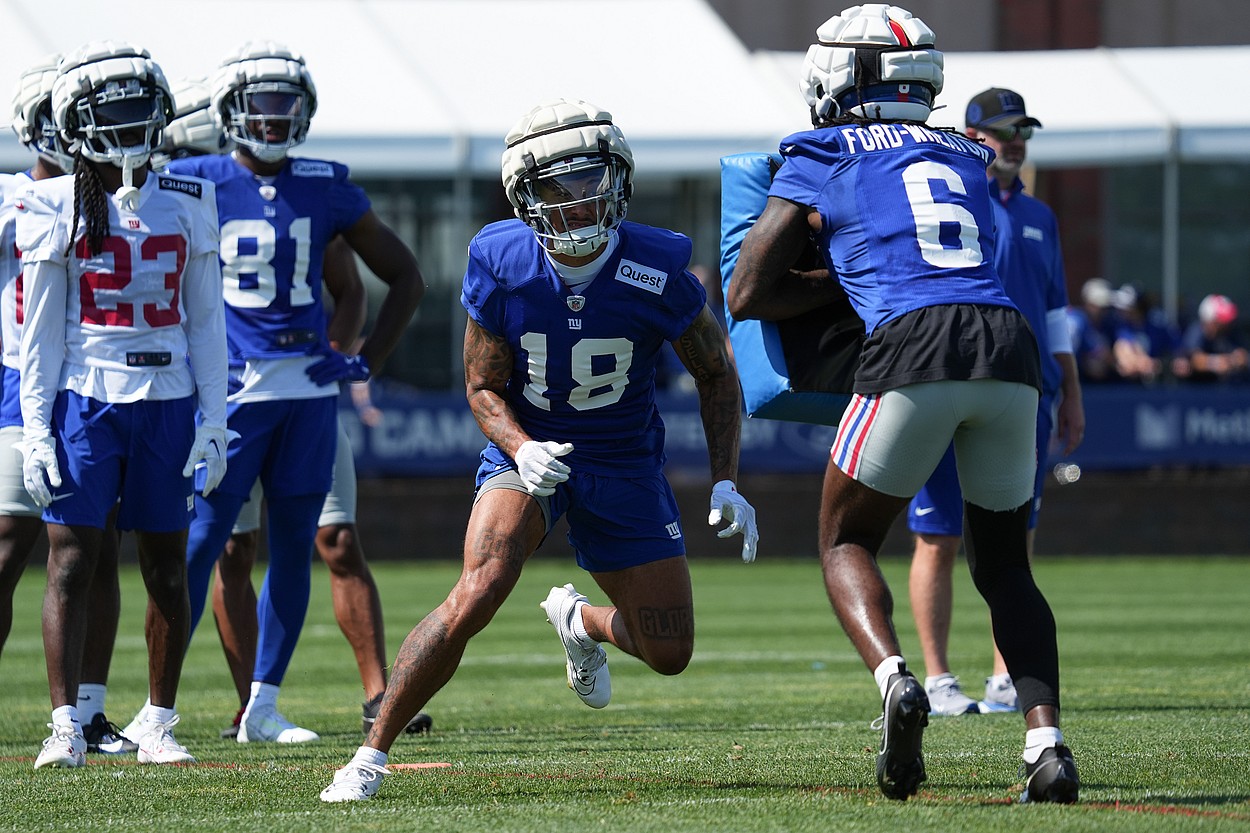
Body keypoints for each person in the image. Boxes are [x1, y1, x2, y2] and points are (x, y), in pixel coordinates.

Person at [319, 98, 759, 802]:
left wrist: (726, 481)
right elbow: (482, 386)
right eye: (560, 187)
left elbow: (715, 369)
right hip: (529, 452)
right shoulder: (501, 261)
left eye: (591, 182)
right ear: (526, 196)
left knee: (669, 650)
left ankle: (579, 620)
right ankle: (369, 756)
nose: (580, 202)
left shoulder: (657, 263)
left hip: (622, 458)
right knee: (479, 587)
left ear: (619, 178)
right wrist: (521, 450)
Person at [725, 5, 1078, 803]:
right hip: (1006, 344)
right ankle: (1047, 744)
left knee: (845, 539)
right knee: (1005, 566)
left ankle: (895, 680)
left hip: (913, 345)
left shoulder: (822, 145)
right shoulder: (963, 150)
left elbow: (747, 290)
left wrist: (821, 282)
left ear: (845, 77)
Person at [154, 41, 423, 744]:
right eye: (260, 105)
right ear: (229, 110)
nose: (273, 120)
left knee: (300, 542)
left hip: (306, 390)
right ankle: (157, 712)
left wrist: (361, 359)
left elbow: (403, 275)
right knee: (201, 543)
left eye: (286, 106)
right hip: (232, 393)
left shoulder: (324, 183)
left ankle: (265, 705)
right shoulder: (193, 177)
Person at [16, 41, 228, 767]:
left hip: (167, 399)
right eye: (117, 112)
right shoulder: (50, 202)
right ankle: (66, 723)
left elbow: (206, 321)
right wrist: (38, 430)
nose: (134, 123)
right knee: (71, 561)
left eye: (142, 107)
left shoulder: (191, 201)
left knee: (167, 562)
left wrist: (216, 419)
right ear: (77, 123)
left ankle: (159, 721)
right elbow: (40, 333)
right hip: (87, 397)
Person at [905, 86, 1085, 717]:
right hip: (949, 378)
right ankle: (939, 680)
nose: (1016, 142)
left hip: (1028, 391)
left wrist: (1072, 390)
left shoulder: (1041, 215)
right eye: (1005, 130)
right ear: (974, 135)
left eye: (1024, 132)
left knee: (1016, 538)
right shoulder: (955, 200)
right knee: (939, 535)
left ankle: (1008, 676)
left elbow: (1057, 311)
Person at [0, 53, 134, 757]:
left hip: (89, 386)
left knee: (97, 549)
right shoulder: (13, 196)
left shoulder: (116, 194)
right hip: (17, 384)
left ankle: (89, 711)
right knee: (7, 546)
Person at [1173, 293, 1249, 383]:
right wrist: (1215, 363)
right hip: (1198, 390)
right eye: (1219, 322)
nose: (1224, 326)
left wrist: (1236, 360)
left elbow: (1242, 354)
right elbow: (1194, 359)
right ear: (1208, 320)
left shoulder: (1231, 332)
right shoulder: (1196, 332)